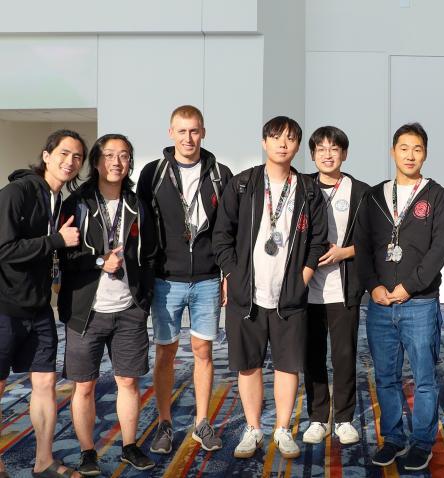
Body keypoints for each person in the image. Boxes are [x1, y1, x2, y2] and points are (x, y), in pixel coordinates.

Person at [213, 116, 327, 459]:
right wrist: (233, 276)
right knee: (248, 364)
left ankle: (282, 428)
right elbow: (222, 236)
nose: (283, 144)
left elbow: (318, 240)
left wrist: (303, 277)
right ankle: (252, 428)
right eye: (276, 137)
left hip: (288, 296)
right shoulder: (243, 184)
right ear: (264, 142)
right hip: (247, 295)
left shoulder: (307, 189)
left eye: (290, 139)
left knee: (287, 365)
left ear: (297, 146)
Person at [353, 123, 444, 471]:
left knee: (424, 378)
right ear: (393, 151)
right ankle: (393, 438)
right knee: (385, 377)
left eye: (417, 149)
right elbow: (363, 248)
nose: (410, 155)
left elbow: (440, 249)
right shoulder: (374, 196)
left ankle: (422, 441)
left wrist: (410, 286)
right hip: (380, 304)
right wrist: (373, 287)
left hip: (420, 302)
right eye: (404, 148)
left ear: (425, 154)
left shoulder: (437, 196)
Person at [58, 134, 158, 475]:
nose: (117, 162)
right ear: (97, 161)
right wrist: (100, 262)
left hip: (129, 309)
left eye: (125, 156)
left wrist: (143, 300)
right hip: (86, 310)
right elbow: (65, 255)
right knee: (83, 385)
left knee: (128, 382)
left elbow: (151, 253)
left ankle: (130, 445)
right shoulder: (77, 204)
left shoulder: (138, 204)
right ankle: (88, 451)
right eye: (109, 155)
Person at [137, 105, 233, 454]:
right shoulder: (153, 173)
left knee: (203, 352)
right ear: (170, 133)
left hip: (207, 278)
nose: (188, 138)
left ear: (203, 132)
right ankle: (165, 423)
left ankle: (201, 423)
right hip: (166, 280)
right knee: (165, 353)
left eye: (194, 131)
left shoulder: (221, 174)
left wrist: (226, 274)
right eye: (182, 131)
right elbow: (143, 228)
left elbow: (227, 231)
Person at [0, 130, 86, 478]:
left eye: (77, 156)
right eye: (64, 153)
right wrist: (55, 240)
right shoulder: (16, 193)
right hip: (4, 307)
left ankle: (44, 461)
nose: (70, 161)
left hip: (39, 309)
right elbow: (3, 249)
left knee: (46, 384)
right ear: (46, 155)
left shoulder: (60, 202)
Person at [301, 126, 369, 446]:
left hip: (343, 288)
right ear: (313, 154)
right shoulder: (301, 187)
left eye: (334, 149)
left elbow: (372, 240)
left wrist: (346, 252)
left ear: (344, 153)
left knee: (344, 355)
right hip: (306, 288)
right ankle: (317, 417)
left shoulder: (360, 192)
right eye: (320, 149)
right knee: (311, 355)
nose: (327, 155)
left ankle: (343, 418)